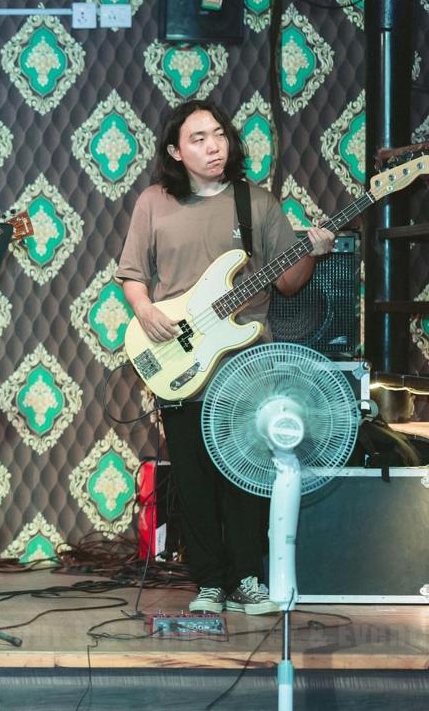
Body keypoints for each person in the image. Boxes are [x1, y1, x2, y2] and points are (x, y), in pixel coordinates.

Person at [116, 99, 335, 616]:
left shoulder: (255, 203)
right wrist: (145, 311)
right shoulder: (154, 202)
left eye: (219, 134)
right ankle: (210, 583)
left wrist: (312, 252)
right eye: (198, 139)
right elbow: (132, 274)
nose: (214, 146)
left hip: (245, 363)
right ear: (175, 151)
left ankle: (245, 579)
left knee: (245, 475)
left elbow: (288, 283)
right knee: (192, 477)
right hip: (178, 355)